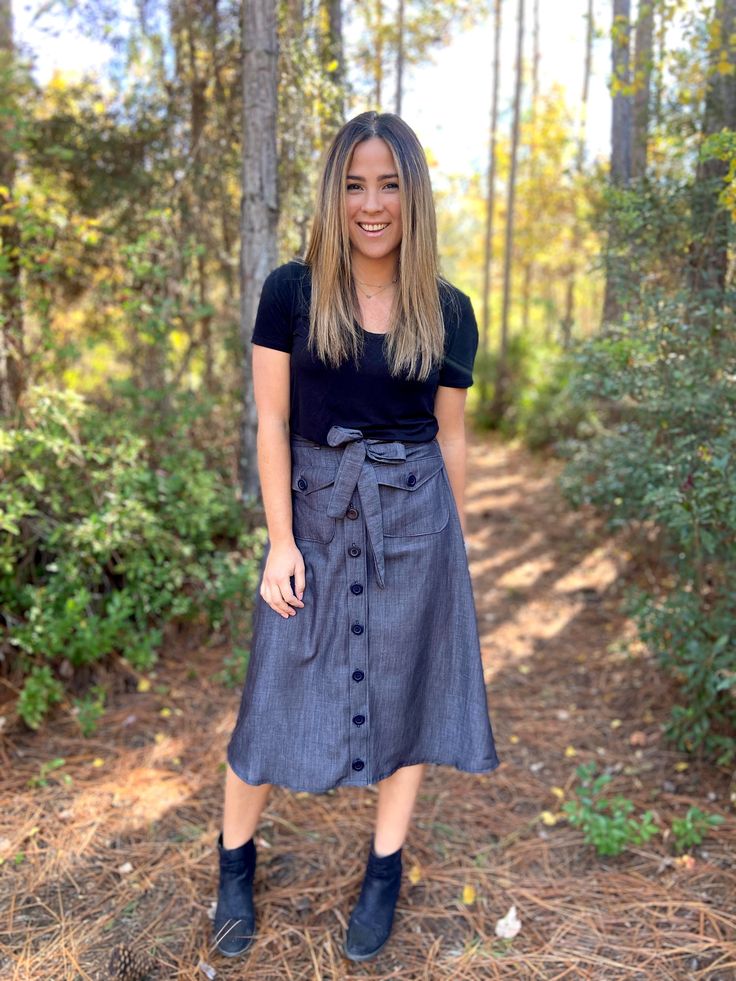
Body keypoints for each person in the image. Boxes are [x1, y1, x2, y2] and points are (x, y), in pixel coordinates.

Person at [212, 110, 500, 962]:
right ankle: (234, 863)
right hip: (313, 514)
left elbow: (449, 435)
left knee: (407, 698)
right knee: (272, 695)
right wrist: (280, 540)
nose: (372, 203)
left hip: (416, 519)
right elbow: (271, 421)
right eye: (354, 184)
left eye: (389, 184)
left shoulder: (447, 308)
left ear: (413, 195)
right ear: (334, 194)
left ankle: (384, 869)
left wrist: (452, 544)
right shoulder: (291, 292)